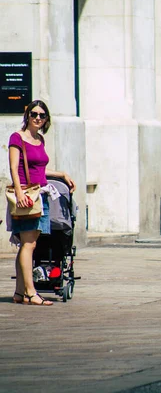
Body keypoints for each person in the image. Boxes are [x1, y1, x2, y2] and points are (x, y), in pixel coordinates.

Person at [8, 100, 76, 306]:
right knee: (29, 244)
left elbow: (39, 169)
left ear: (46, 119)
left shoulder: (40, 139)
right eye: (34, 114)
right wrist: (19, 192)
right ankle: (30, 292)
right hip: (27, 197)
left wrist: (61, 174)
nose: (38, 118)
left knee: (27, 245)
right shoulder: (17, 138)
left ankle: (20, 292)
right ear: (27, 115)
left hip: (41, 195)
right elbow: (13, 168)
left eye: (42, 115)